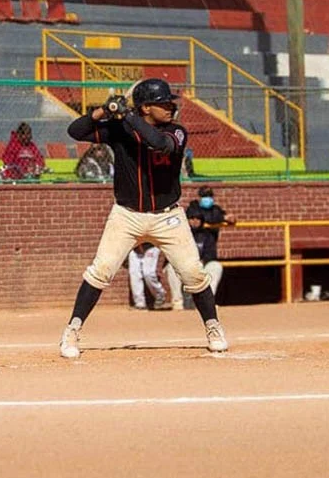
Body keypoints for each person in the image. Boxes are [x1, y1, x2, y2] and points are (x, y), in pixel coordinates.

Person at [58, 78, 228, 358]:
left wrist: (128, 115)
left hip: (167, 217)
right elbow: (75, 130)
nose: (171, 107)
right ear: (146, 107)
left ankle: (213, 326)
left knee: (194, 274)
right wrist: (104, 111)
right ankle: (72, 330)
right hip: (127, 215)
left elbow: (159, 143)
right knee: (101, 271)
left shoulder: (177, 131)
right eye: (163, 104)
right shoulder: (120, 129)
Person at [164, 186, 236, 310]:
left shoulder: (212, 218)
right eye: (192, 218)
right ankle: (177, 303)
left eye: (198, 218)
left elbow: (225, 217)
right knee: (171, 268)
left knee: (215, 266)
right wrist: (219, 218)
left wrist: (226, 218)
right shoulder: (187, 224)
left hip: (203, 261)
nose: (195, 221)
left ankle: (207, 304)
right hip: (185, 262)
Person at [127, 243, 170, 310]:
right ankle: (139, 303)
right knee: (134, 274)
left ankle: (160, 295)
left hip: (150, 246)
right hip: (135, 248)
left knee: (148, 273)